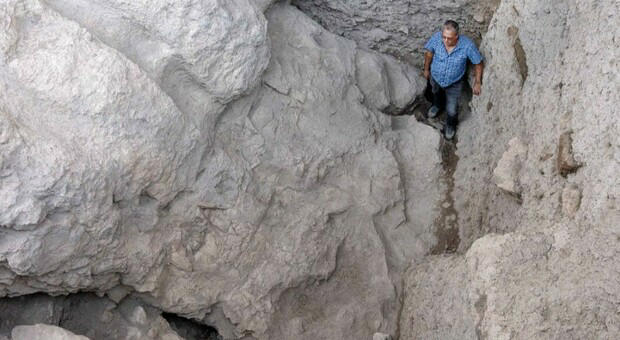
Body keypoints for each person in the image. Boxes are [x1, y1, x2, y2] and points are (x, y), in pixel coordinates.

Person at [423, 20, 484, 140]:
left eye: (449, 38)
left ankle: (450, 125)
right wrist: (426, 69)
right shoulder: (436, 38)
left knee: (451, 108)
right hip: (436, 77)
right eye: (444, 37)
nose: (446, 41)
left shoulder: (467, 46)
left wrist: (477, 82)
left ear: (457, 36)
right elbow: (429, 54)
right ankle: (437, 106)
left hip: (454, 83)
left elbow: (478, 63)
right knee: (436, 93)